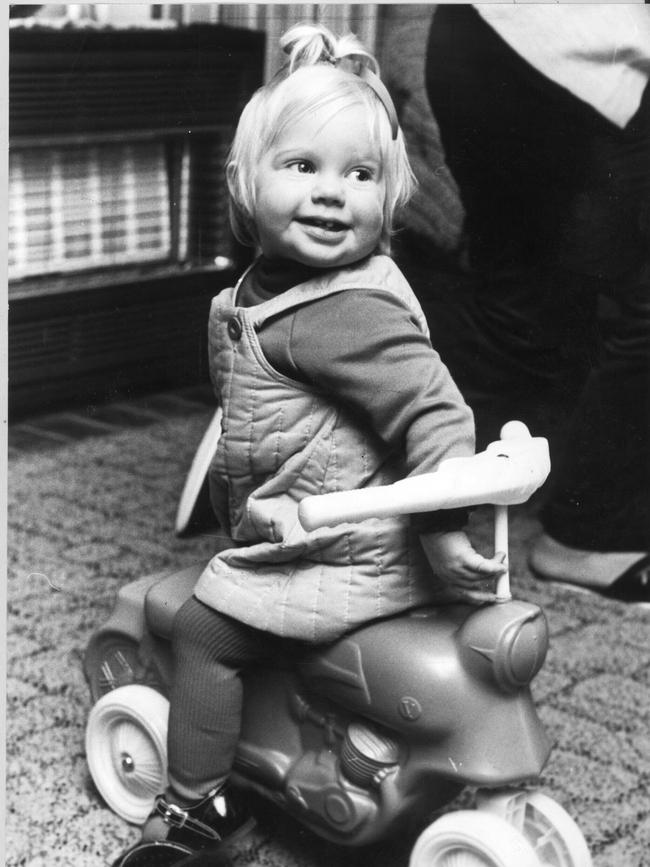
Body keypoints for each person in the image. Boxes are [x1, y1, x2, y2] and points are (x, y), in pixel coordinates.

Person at [112, 23, 506, 867]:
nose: (333, 194)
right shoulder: (279, 289)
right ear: (245, 185)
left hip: (346, 555)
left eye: (360, 176)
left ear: (389, 198)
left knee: (208, 636)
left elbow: (438, 417)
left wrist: (443, 531)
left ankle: (195, 807)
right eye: (303, 167)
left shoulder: (342, 313)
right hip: (326, 531)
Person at [423, 4, 650, 604]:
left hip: (475, 35)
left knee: (524, 301)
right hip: (573, 53)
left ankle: (328, 379)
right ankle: (590, 536)